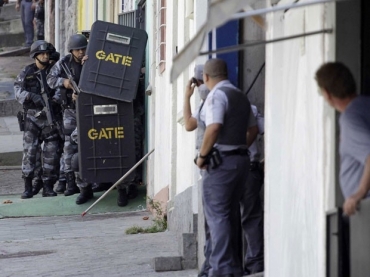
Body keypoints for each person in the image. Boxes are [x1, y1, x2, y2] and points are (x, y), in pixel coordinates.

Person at [196, 58, 258, 277]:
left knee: (218, 216)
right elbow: (253, 129)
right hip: (242, 161)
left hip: (221, 162)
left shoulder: (216, 96)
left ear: (206, 77)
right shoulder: (240, 96)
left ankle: (221, 268)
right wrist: (240, 146)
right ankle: (232, 268)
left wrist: (202, 157)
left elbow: (213, 128)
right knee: (231, 215)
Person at [315, 62, 370, 216]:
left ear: (326, 93)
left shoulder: (350, 118)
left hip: (364, 208)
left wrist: (359, 193)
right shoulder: (365, 105)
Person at [14, 40, 63, 199]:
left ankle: (48, 185)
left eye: (47, 53)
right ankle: (28, 185)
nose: (45, 56)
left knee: (51, 153)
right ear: (35, 56)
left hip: (50, 119)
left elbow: (60, 90)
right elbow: (17, 91)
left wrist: (55, 101)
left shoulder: (54, 72)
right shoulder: (26, 72)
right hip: (32, 118)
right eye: (42, 53)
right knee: (30, 153)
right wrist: (31, 96)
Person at [47, 34, 88, 201]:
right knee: (69, 146)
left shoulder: (91, 59)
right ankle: (70, 182)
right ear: (71, 50)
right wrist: (64, 82)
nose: (80, 52)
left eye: (83, 49)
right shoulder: (64, 63)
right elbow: (50, 79)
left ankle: (91, 182)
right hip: (70, 110)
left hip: (88, 108)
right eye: (77, 50)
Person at [183, 64, 212, 277]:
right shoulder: (206, 103)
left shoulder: (212, 101)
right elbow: (189, 124)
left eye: (200, 82)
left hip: (213, 167)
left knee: (214, 220)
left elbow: (192, 125)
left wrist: (202, 158)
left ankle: (212, 266)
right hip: (211, 168)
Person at [240, 104, 264, 275]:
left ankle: (229, 265)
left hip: (228, 170)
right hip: (250, 168)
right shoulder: (249, 107)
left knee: (226, 218)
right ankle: (255, 264)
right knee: (251, 217)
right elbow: (268, 128)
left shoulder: (211, 105)